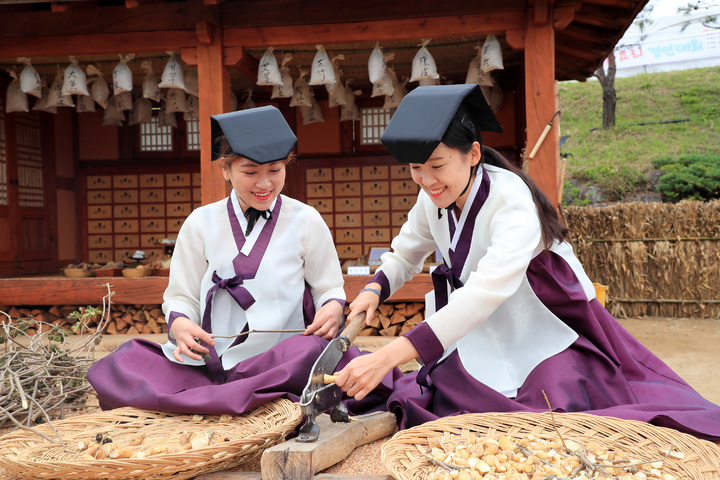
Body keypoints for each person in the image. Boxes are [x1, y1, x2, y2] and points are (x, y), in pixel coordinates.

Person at [333, 84, 720, 442]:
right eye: (415, 169)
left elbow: (484, 292)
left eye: (436, 165)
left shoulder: (511, 198)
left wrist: (388, 356)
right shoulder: (432, 197)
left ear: (472, 153)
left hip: (548, 313)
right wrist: (374, 289)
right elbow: (405, 251)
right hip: (486, 318)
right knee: (460, 398)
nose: (426, 180)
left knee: (555, 407)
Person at [88, 106, 397, 415]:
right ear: (226, 169)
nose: (264, 184)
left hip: (280, 359)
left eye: (275, 171)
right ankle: (239, 395)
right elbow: (181, 295)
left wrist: (330, 306)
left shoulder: (306, 220)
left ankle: (218, 398)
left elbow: (328, 287)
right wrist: (181, 323)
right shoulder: (200, 222)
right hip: (207, 361)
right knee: (126, 360)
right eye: (250, 172)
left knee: (312, 351)